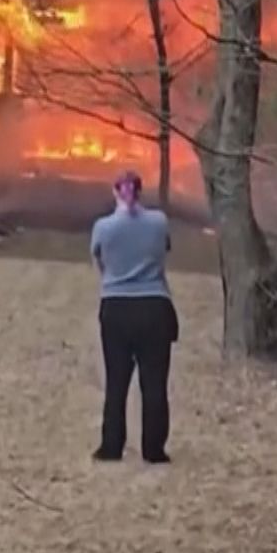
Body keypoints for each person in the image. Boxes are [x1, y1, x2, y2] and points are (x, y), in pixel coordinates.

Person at [89, 169, 178, 465]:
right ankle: (154, 449)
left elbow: (99, 262)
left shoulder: (103, 227)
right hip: (154, 306)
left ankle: (111, 446)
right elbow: (164, 252)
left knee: (116, 380)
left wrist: (116, 278)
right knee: (154, 383)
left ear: (115, 191)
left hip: (115, 307)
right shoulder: (159, 222)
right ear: (141, 191)